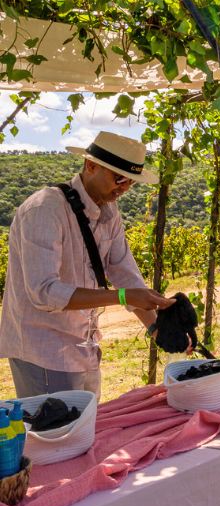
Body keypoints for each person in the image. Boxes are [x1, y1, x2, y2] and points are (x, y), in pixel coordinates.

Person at [0, 131, 176, 399]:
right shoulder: (44, 210)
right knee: (57, 435)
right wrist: (122, 297)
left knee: (85, 430)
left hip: (84, 346)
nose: (125, 187)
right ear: (90, 165)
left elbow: (124, 273)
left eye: (131, 181)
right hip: (43, 350)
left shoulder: (109, 211)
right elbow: (44, 291)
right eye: (119, 178)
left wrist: (157, 330)